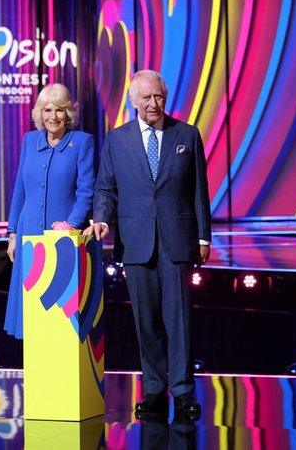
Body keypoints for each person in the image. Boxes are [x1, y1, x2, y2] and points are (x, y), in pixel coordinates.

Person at [84, 70, 212, 422]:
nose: (153, 104)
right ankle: (155, 389)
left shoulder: (186, 135)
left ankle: (184, 391)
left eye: (158, 97)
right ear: (133, 100)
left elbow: (198, 190)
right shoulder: (116, 140)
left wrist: (203, 237)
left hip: (178, 243)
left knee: (179, 320)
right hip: (136, 243)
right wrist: (102, 218)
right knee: (147, 322)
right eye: (146, 98)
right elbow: (105, 189)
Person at [4, 84, 95, 339]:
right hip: (28, 233)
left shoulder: (82, 142)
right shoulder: (29, 141)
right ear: (39, 113)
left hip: (62, 238)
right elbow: (20, 190)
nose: (52, 117)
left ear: (68, 114)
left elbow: (86, 191)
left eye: (59, 110)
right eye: (47, 110)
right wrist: (12, 234)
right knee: (32, 313)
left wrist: (71, 223)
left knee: (59, 314)